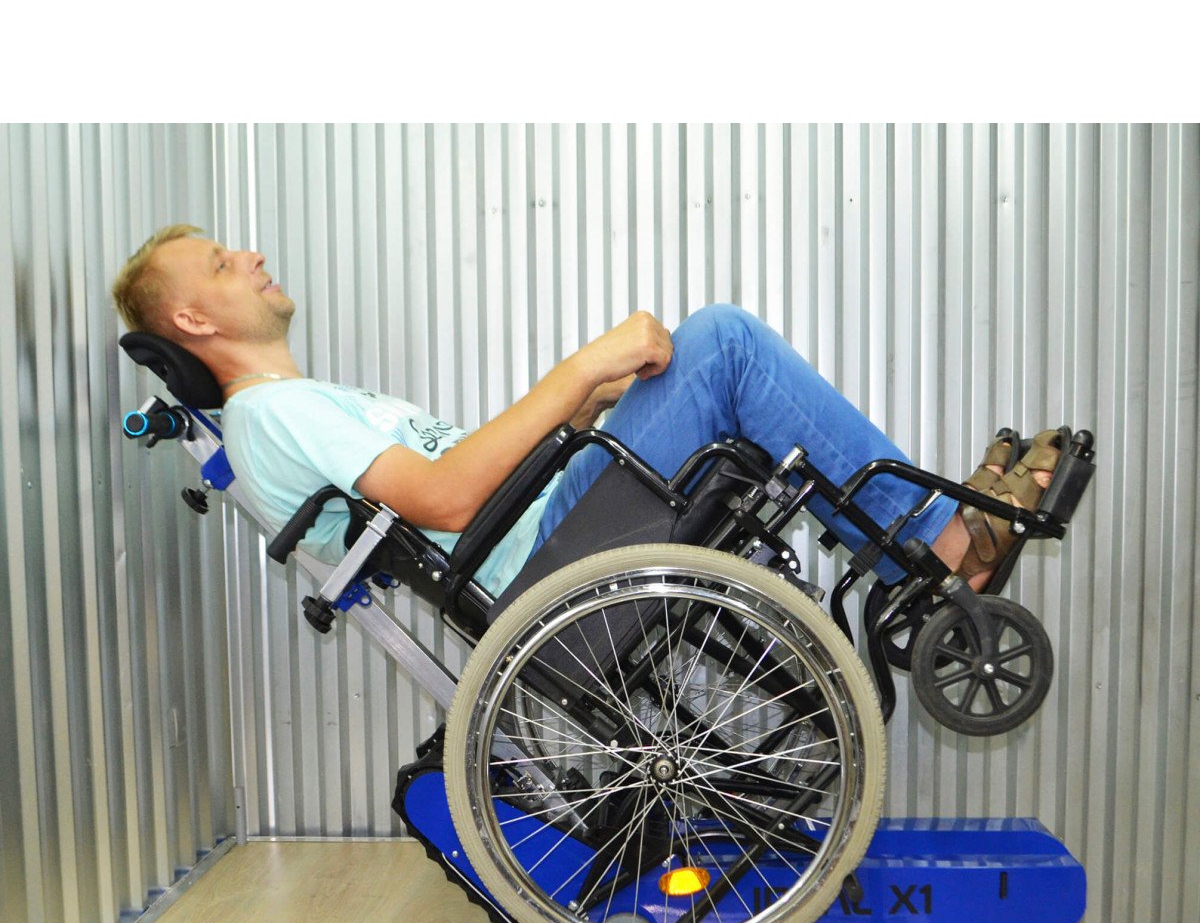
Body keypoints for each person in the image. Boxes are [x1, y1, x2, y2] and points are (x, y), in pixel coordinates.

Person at [111, 225, 1059, 597]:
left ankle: (924, 537)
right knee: (723, 341)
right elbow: (447, 500)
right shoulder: (272, 415)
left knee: (699, 356)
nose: (251, 255)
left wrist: (587, 408)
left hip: (544, 527)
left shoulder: (299, 403)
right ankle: (936, 545)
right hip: (541, 560)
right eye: (223, 263)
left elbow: (463, 479)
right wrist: (579, 370)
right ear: (192, 320)